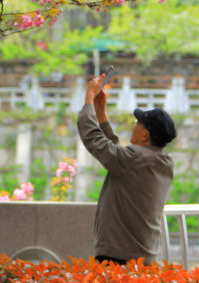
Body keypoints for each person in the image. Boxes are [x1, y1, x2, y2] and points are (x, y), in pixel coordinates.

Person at [77, 73, 176, 265]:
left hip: (119, 256)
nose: (134, 126)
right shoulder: (163, 162)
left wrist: (89, 97)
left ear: (145, 134)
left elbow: (93, 139)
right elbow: (118, 156)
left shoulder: (134, 159)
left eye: (138, 123)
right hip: (146, 256)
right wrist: (101, 114)